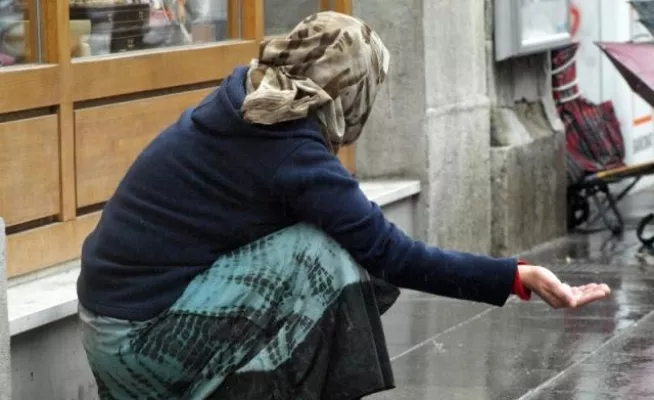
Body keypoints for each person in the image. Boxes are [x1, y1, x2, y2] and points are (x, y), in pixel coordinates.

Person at [76, 11, 611, 400]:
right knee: (321, 255)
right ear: (349, 93)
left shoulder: (249, 100)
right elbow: (393, 254)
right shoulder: (288, 147)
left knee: (340, 255)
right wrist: (515, 276)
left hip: (114, 331)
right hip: (139, 348)